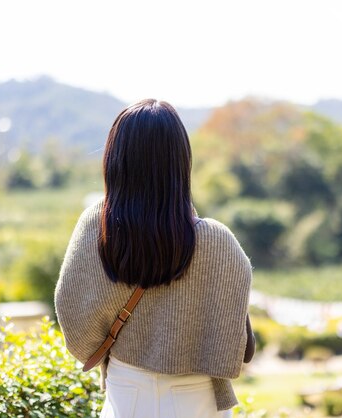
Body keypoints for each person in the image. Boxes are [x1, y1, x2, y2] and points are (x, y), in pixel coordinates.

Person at [54, 99, 254, 418]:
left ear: (116, 159)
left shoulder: (96, 226)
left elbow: (74, 317)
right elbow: (238, 344)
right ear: (181, 161)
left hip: (126, 395)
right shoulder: (219, 242)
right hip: (198, 400)